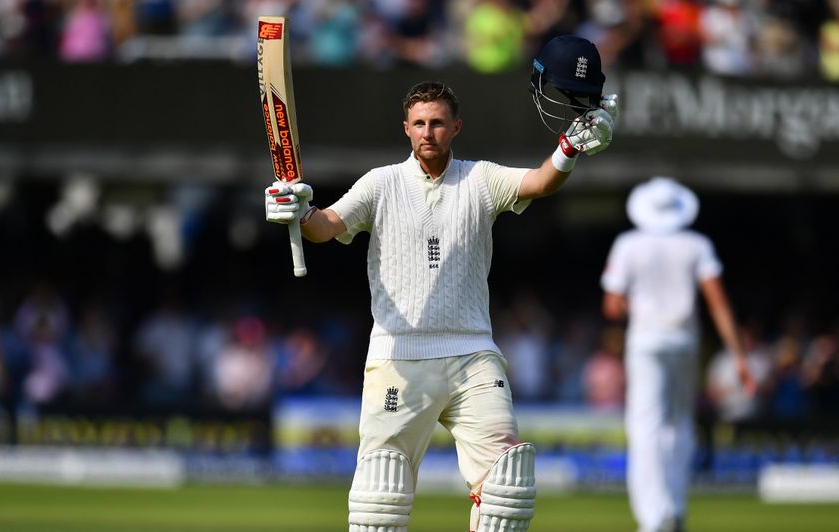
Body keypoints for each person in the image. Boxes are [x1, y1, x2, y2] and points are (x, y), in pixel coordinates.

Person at [265, 35, 617, 532]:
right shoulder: (380, 183)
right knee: (378, 499)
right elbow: (325, 227)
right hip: (399, 355)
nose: (428, 132)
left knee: (507, 486)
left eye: (437, 123)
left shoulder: (480, 179)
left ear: (455, 127)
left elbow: (540, 182)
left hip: (472, 353)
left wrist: (569, 149)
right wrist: (297, 211)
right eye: (419, 124)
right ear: (405, 129)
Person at [600, 176, 755, 532]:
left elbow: (611, 306)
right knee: (679, 425)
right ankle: (675, 505)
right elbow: (718, 305)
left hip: (646, 343)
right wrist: (740, 358)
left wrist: (634, 303)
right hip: (684, 343)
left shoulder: (628, 244)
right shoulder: (696, 244)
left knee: (646, 428)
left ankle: (654, 517)